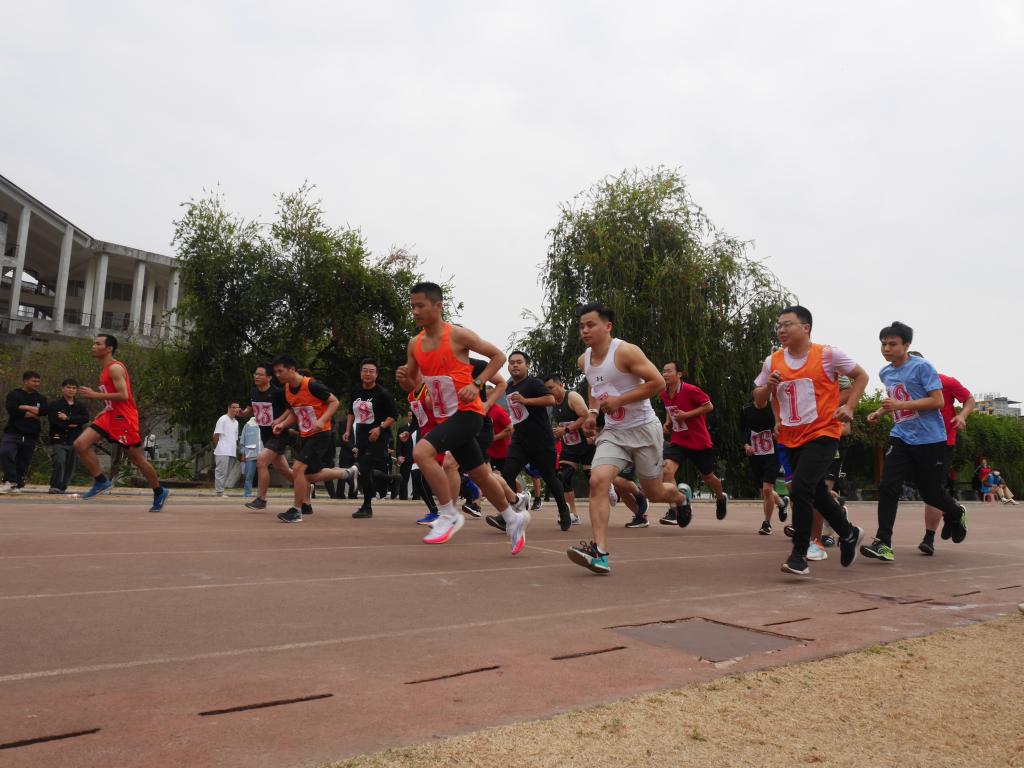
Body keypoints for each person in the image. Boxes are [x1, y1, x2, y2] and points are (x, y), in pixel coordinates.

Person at [396, 281, 530, 552]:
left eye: (420, 306)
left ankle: (448, 514)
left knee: (421, 453)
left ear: (438, 306)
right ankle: (512, 517)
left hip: (468, 414)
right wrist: (404, 380)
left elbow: (498, 356)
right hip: (446, 418)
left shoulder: (457, 335)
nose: (415, 311)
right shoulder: (414, 344)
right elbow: (413, 385)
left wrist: (477, 383)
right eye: (412, 306)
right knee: (481, 475)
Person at [567, 302, 687, 575]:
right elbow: (595, 386)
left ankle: (680, 498)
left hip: (644, 429)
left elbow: (657, 383)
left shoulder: (625, 352)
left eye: (590, 325)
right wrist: (593, 412)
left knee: (655, 492)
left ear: (607, 326)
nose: (584, 331)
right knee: (598, 480)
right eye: (581, 326)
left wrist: (620, 400)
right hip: (614, 432)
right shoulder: (584, 360)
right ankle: (599, 553)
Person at [753, 305, 866, 576]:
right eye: (779, 325)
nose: (781, 329)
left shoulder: (827, 354)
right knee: (815, 492)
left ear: (805, 328)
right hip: (791, 437)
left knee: (800, 489)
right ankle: (848, 533)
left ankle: (799, 554)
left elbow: (861, 376)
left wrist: (849, 407)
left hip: (822, 433)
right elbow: (759, 400)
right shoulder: (772, 361)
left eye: (787, 324)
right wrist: (769, 385)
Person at [862, 323, 968, 561]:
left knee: (931, 494)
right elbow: (895, 399)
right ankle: (883, 543)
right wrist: (880, 412)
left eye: (892, 344)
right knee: (888, 486)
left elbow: (937, 401)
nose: (886, 349)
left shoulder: (922, 367)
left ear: (906, 345)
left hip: (930, 440)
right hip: (901, 436)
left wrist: (900, 405)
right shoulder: (885, 372)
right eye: (883, 344)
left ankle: (955, 512)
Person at [74, 334, 169, 512]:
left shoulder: (115, 368)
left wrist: (95, 395)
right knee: (80, 444)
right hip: (111, 415)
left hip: (124, 418)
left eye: (98, 344)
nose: (93, 346)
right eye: (93, 343)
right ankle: (101, 482)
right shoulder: (105, 369)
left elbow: (124, 395)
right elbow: (115, 397)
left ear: (109, 348)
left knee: (137, 459)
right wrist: (106, 407)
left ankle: (159, 491)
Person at [270, 357, 356, 523]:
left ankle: (297, 510)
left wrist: (322, 420)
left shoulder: (312, 385)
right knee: (311, 476)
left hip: (321, 434)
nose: (277, 375)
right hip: (305, 435)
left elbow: (334, 402)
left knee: (297, 469)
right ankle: (348, 473)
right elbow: (295, 412)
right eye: (275, 372)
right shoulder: (287, 389)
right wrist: (283, 424)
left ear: (292, 369)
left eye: (280, 371)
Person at [498, 351, 574, 530]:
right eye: (512, 362)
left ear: (527, 365)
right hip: (520, 441)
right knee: (507, 475)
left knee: (550, 477)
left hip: (541, 440)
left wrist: (525, 400)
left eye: (519, 362)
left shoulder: (534, 383)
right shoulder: (507, 387)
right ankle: (510, 513)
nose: (515, 365)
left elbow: (551, 399)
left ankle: (563, 510)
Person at [909, 354, 977, 554]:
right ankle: (953, 513)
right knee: (924, 488)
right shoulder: (902, 386)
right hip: (914, 443)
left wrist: (962, 416)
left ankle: (928, 538)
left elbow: (969, 399)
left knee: (933, 488)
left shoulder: (946, 382)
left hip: (942, 442)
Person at [658, 361, 728, 526]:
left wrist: (686, 415)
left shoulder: (690, 390)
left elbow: (709, 406)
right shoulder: (664, 393)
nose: (665, 374)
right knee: (667, 471)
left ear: (679, 374)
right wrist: (667, 422)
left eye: (669, 371)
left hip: (699, 441)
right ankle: (675, 509)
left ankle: (720, 498)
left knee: (708, 477)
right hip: (678, 440)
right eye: (663, 371)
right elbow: (670, 409)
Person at [343, 358, 398, 519]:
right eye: (365, 370)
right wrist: (348, 431)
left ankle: (367, 506)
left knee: (365, 468)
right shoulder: (356, 391)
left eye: (371, 371)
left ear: (376, 374)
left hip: (377, 437)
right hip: (361, 436)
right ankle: (391, 480)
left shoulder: (383, 394)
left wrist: (380, 428)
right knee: (364, 470)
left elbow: (393, 416)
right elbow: (351, 412)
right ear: (360, 373)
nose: (368, 374)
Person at [240, 364, 297, 510]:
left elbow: (291, 409)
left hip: (279, 434)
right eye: (255, 374)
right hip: (265, 435)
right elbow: (251, 409)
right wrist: (243, 412)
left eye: (260, 374)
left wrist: (280, 421)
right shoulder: (253, 392)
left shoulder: (278, 393)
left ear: (269, 377)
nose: (256, 377)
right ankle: (305, 485)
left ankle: (261, 499)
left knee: (261, 461)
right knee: (283, 469)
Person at [739, 399, 788, 535]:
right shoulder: (746, 410)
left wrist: (778, 434)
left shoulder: (775, 408)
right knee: (765, 491)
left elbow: (784, 425)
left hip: (773, 453)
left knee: (767, 489)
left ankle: (767, 523)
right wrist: (746, 445)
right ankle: (782, 503)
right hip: (755, 454)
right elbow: (742, 430)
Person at [0, 371, 47, 494]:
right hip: (13, 432)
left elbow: (44, 411)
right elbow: (12, 409)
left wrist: (23, 407)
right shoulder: (14, 394)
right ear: (25, 381)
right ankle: (10, 481)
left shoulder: (41, 398)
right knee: (6, 452)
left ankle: (17, 485)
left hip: (31, 434)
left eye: (38, 381)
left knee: (23, 461)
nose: (37, 384)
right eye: (34, 381)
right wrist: (32, 410)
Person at [47, 378, 89, 494]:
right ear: (63, 388)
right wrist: (72, 424)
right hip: (59, 438)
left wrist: (67, 418)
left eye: (74, 388)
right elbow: (54, 421)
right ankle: (55, 486)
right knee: (59, 461)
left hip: (75, 439)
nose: (71, 390)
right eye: (68, 387)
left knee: (70, 464)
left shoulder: (80, 405)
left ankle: (63, 487)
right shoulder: (55, 404)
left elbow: (85, 418)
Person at [212, 402, 242, 496]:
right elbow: (216, 435)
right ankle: (219, 492)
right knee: (221, 472)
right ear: (229, 408)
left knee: (227, 473)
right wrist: (219, 446)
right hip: (222, 451)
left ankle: (221, 490)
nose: (237, 409)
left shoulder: (236, 422)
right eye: (234, 407)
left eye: (238, 408)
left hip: (232, 451)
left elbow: (235, 438)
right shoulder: (223, 419)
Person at [240, 415, 262, 497]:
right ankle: (247, 493)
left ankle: (261, 494)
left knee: (262, 476)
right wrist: (243, 453)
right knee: (248, 475)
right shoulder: (247, 425)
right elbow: (242, 440)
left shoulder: (266, 424)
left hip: (263, 454)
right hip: (250, 454)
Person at [395, 425, 414, 500]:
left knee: (418, 478)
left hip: (419, 457)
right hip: (406, 457)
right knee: (404, 478)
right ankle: (403, 497)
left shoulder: (420, 428)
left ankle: (417, 497)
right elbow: (398, 443)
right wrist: (399, 455)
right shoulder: (402, 429)